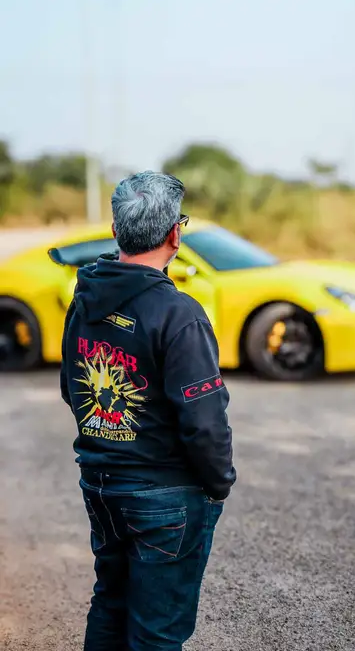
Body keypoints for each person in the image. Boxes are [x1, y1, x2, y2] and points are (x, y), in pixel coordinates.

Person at [60, 171, 236, 651]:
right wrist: (219, 483)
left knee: (110, 604)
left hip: (100, 483)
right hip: (166, 495)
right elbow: (204, 422)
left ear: (115, 230)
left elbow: (71, 390)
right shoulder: (180, 313)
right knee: (157, 633)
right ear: (175, 235)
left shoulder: (83, 300)